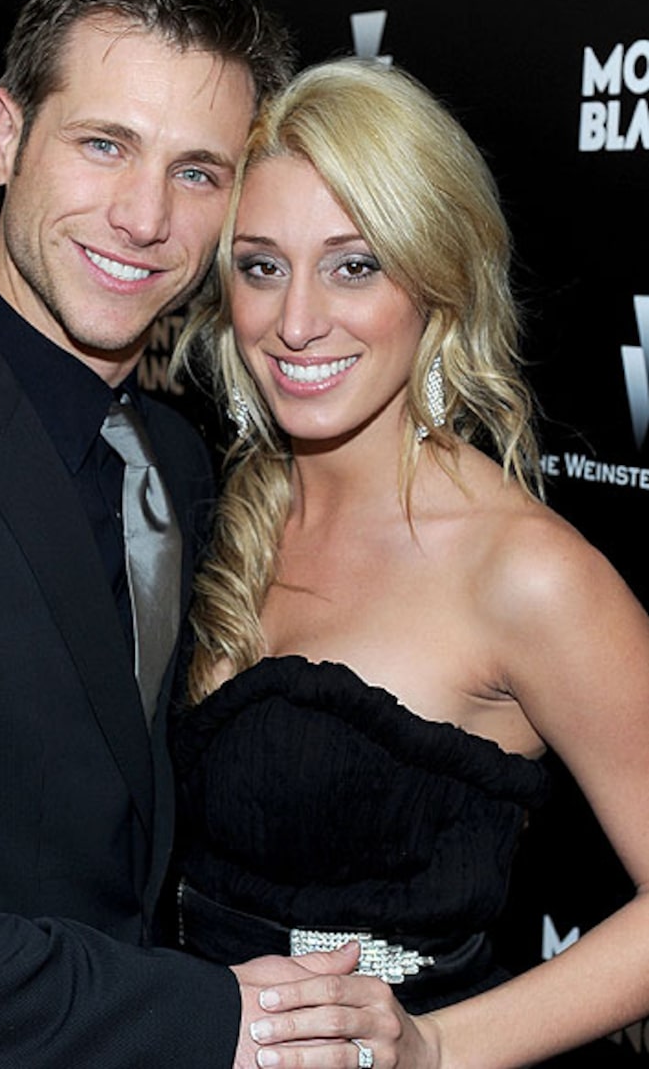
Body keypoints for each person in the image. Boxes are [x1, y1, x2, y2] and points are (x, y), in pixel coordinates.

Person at [0, 0, 376, 1066]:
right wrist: (199, 1018)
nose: (145, 217)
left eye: (196, 171)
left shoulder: (176, 455)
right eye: (104, 145)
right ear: (5, 136)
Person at [171, 56, 649, 1068]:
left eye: (354, 265)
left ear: (435, 279)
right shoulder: (205, 505)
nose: (296, 321)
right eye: (260, 266)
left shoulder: (523, 573)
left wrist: (432, 1047)